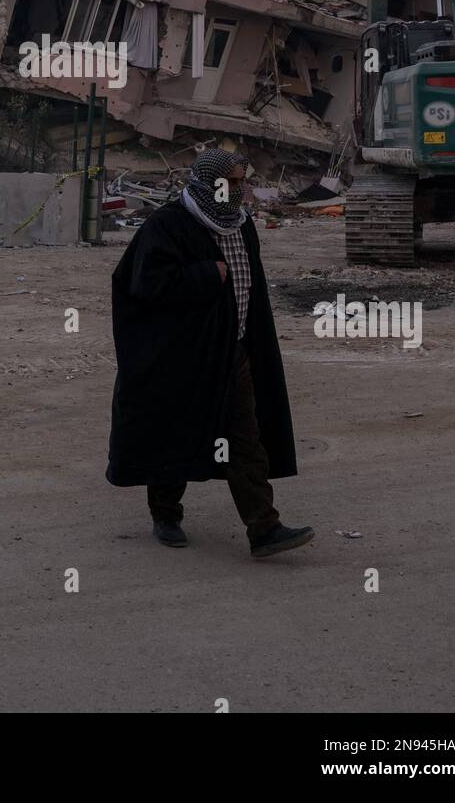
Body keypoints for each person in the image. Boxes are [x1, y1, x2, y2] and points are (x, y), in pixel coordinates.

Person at [106, 147, 313, 559]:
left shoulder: (241, 225)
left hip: (232, 351)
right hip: (181, 356)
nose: (238, 189)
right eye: (231, 182)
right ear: (206, 183)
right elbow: (143, 285)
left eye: (241, 181)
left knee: (244, 437)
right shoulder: (168, 226)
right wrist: (203, 275)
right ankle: (165, 514)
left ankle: (264, 527)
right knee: (175, 432)